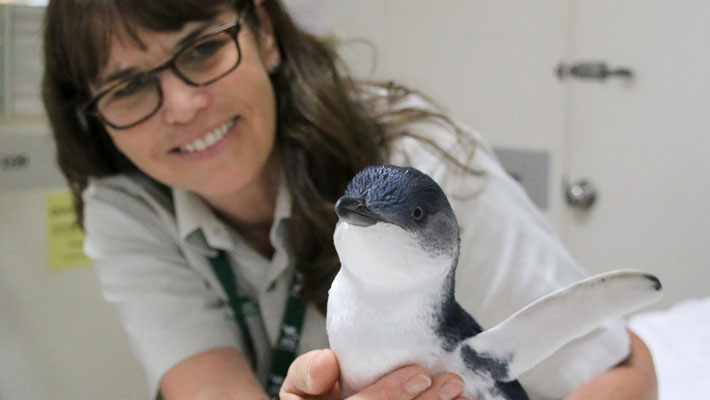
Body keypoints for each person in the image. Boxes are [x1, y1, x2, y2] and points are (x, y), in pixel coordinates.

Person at [41, 0, 657, 399]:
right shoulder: (128, 208)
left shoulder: (420, 173)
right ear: (94, 117)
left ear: (265, 34)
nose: (181, 106)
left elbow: (624, 374)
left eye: (202, 48)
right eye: (126, 87)